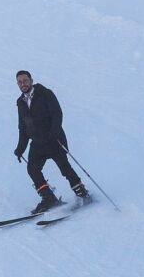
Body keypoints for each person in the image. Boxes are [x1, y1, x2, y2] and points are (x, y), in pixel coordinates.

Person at [14, 70, 90, 214]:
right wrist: (20, 148)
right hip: (37, 143)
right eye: (20, 82)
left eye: (25, 80)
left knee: (65, 168)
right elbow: (23, 128)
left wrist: (54, 133)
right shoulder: (20, 102)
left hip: (54, 140)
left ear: (31, 80)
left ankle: (82, 193)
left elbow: (57, 114)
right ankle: (49, 198)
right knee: (32, 169)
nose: (23, 84)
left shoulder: (45, 93)